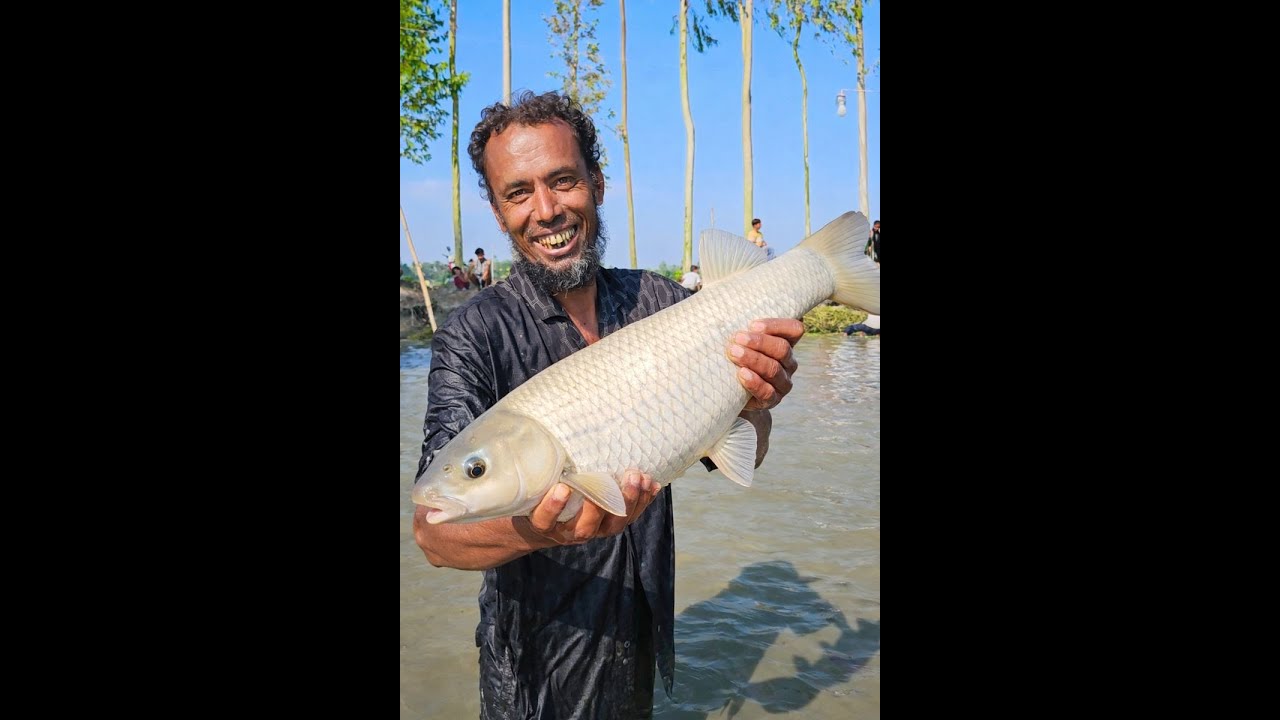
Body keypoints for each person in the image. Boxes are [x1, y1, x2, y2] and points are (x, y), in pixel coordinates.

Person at [412, 90, 804, 719]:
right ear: (497, 209)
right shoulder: (473, 334)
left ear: (597, 183)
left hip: (643, 640)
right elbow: (433, 535)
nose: (546, 211)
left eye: (563, 181)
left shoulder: (664, 302)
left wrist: (760, 398)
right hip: (532, 673)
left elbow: (737, 447)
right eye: (518, 193)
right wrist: (536, 529)